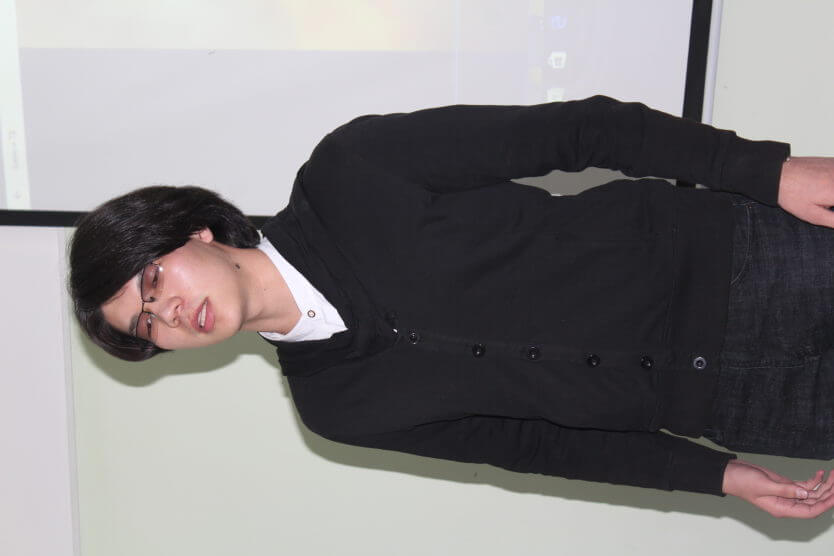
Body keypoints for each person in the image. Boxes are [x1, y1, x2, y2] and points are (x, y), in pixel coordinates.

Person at [69, 95, 834, 518]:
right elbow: (538, 447)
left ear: (193, 230)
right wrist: (719, 478)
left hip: (752, 265)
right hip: (733, 404)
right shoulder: (337, 408)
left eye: (153, 281)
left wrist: (768, 172)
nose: (170, 314)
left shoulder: (351, 171)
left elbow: (582, 130)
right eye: (148, 325)